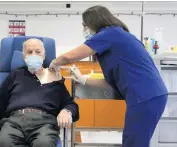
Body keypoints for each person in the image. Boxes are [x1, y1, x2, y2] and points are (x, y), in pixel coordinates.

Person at [49, 5, 168, 147]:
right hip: (149, 95)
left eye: (85, 25)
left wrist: (54, 63)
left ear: (94, 22)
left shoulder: (110, 33)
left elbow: (70, 57)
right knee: (134, 141)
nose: (84, 30)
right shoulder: (117, 39)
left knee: (134, 143)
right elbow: (111, 82)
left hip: (145, 96)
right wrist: (83, 79)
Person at [0, 38, 79, 147]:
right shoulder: (15, 75)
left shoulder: (54, 77)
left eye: (38, 52)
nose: (33, 55)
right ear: (24, 56)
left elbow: (70, 104)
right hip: (14, 122)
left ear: (44, 56)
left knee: (43, 144)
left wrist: (66, 111)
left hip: (44, 123)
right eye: (29, 52)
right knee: (4, 143)